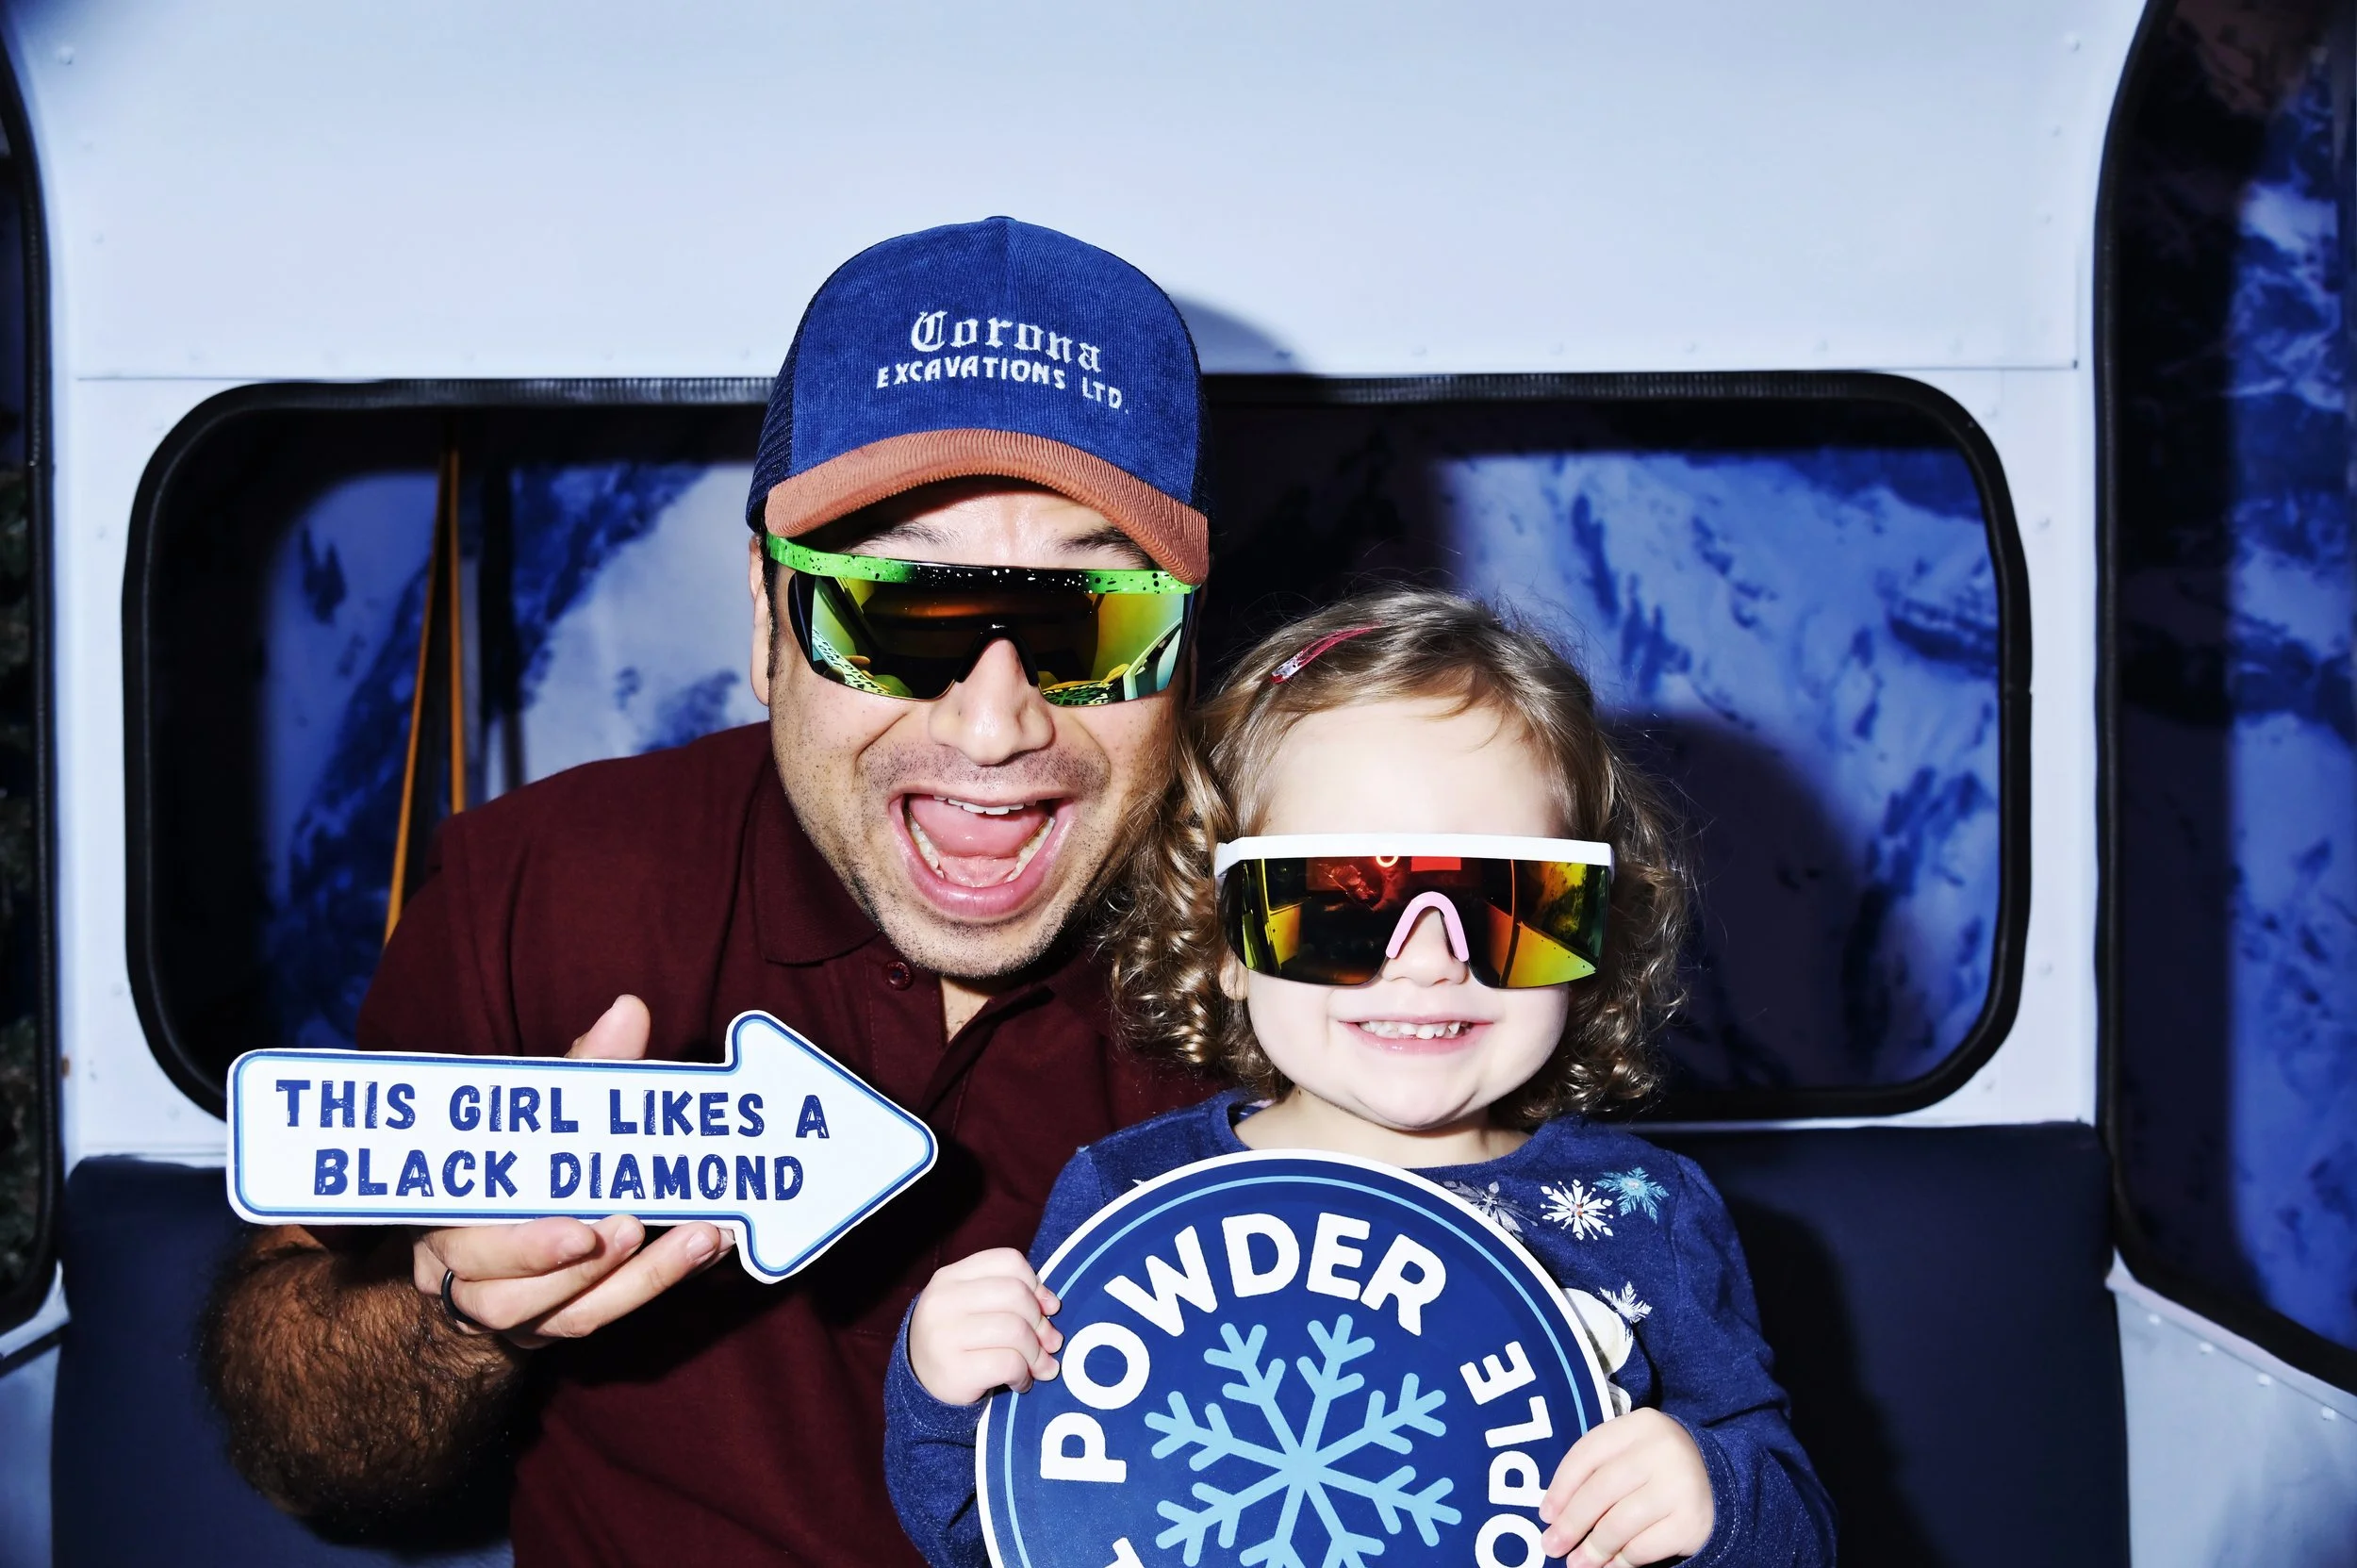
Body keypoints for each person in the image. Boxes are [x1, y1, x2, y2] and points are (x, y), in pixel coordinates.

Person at [199, 217, 1220, 1565]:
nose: (992, 724)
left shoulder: (1303, 955)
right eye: (894, 608)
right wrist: (456, 1313)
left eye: (1092, 617)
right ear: (765, 617)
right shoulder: (550, 883)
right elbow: (298, 1432)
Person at [884, 588, 1837, 1568]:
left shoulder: (1646, 1213)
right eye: (1342, 901)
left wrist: (1716, 1499)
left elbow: (1795, 1529)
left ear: (1591, 931)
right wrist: (944, 1395)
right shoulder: (1130, 1195)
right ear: (1224, 937)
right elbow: (1010, 1530)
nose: (1427, 960)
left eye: (1508, 898)